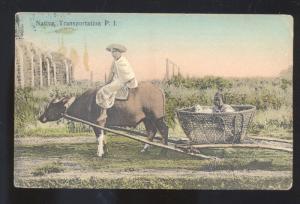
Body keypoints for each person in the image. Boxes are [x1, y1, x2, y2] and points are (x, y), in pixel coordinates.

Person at [96, 44, 138, 121]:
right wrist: (106, 83)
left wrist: (126, 82)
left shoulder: (123, 61)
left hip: (124, 81)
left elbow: (128, 74)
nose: (112, 54)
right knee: (105, 88)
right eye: (112, 52)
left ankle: (104, 113)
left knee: (104, 91)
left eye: (114, 52)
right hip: (118, 80)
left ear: (119, 52)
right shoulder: (115, 62)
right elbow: (111, 74)